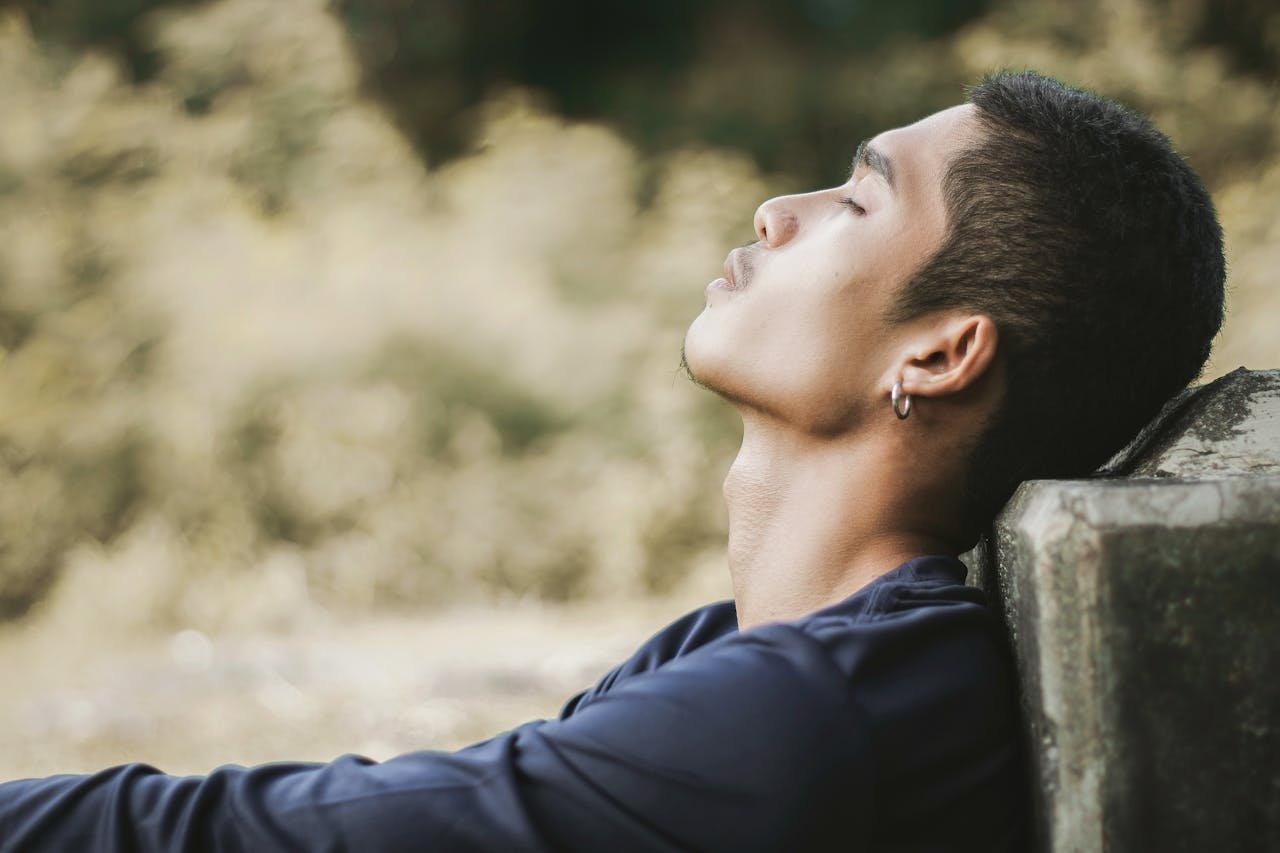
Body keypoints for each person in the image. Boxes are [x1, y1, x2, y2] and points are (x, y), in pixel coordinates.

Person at [0, 71, 1224, 852]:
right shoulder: (759, 655)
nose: (773, 212)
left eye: (855, 201)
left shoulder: (828, 707)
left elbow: (278, 839)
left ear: (941, 353)